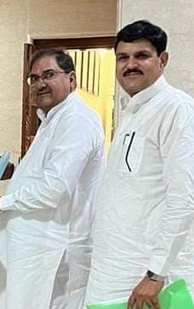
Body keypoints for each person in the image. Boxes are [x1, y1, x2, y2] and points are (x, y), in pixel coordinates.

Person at [0, 48, 105, 308]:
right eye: (34, 78)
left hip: (54, 253)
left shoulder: (76, 119)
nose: (40, 83)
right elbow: (49, 172)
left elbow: (55, 188)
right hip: (33, 249)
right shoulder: (53, 119)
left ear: (71, 79)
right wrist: (13, 172)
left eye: (49, 75)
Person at [85, 20, 194, 308]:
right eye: (123, 57)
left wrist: (156, 273)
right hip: (115, 270)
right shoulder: (133, 111)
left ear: (162, 60)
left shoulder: (176, 109)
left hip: (147, 279)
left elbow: (184, 198)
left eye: (141, 56)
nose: (130, 64)